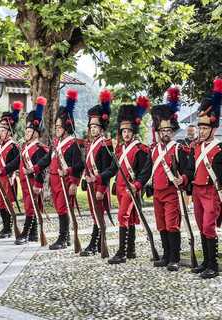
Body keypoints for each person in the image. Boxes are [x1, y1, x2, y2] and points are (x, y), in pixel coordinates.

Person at [130, 87, 188, 271]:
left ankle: (175, 258)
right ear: (158, 131)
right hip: (157, 193)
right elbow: (146, 172)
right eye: (163, 130)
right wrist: (137, 185)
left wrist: (183, 179)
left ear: (172, 131)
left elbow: (187, 170)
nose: (166, 133)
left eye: (169, 130)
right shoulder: (154, 150)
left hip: (172, 192)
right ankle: (165, 255)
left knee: (172, 225)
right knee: (161, 224)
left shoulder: (178, 149)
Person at [89, 96, 150, 263]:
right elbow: (112, 169)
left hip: (131, 188)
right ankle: (131, 250)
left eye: (129, 131)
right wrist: (99, 177)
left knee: (122, 216)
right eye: (124, 131)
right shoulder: (120, 149)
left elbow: (145, 171)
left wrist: (137, 185)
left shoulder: (139, 149)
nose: (126, 134)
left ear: (133, 131)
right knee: (128, 218)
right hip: (120, 188)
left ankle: (121, 252)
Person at [174, 78, 222, 279]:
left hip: (212, 191)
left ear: (212, 128)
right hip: (197, 191)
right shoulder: (195, 148)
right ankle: (205, 262)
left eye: (204, 129)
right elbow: (189, 170)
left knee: (209, 227)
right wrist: (183, 181)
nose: (200, 132)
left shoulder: (219, 150)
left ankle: (212, 264)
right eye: (199, 129)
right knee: (201, 226)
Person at [26, 90, 84, 250]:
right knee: (59, 208)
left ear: (67, 128)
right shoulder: (56, 144)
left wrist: (73, 182)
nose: (57, 129)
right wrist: (34, 168)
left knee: (64, 208)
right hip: (54, 180)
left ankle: (64, 237)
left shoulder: (73, 144)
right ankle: (64, 238)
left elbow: (80, 165)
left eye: (59, 127)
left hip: (66, 181)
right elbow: (46, 160)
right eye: (56, 127)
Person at [0, 96, 48, 245]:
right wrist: (3, 171)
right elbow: (16, 163)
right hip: (24, 181)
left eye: (30, 130)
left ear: (36, 133)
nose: (27, 132)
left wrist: (38, 185)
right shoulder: (24, 148)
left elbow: (41, 168)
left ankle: (25, 234)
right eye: (26, 130)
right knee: (28, 207)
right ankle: (33, 234)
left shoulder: (39, 148)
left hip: (33, 182)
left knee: (31, 208)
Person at [79, 90, 113, 256]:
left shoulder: (105, 144)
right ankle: (97, 243)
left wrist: (102, 188)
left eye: (96, 126)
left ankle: (95, 244)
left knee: (98, 216)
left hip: (99, 186)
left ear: (101, 127)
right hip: (91, 184)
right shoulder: (91, 144)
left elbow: (108, 169)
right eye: (91, 126)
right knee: (94, 214)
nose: (93, 129)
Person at [0, 101, 22, 238]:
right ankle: (5, 227)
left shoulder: (14, 146)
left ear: (9, 132)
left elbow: (17, 163)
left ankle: (9, 228)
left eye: (3, 131)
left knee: (8, 203)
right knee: (0, 202)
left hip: (8, 178)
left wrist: (4, 170)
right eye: (0, 130)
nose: (1, 133)